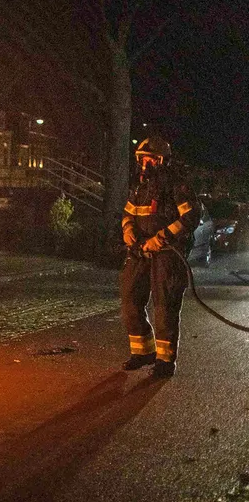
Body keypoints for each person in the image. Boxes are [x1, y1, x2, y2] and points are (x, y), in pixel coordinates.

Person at [119, 137, 201, 378]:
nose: (145, 164)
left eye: (151, 160)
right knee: (130, 299)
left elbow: (190, 217)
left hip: (167, 253)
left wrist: (162, 237)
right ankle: (143, 352)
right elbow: (128, 213)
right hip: (140, 251)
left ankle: (165, 361)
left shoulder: (177, 186)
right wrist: (127, 229)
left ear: (163, 161)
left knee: (165, 306)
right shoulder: (140, 188)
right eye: (142, 159)